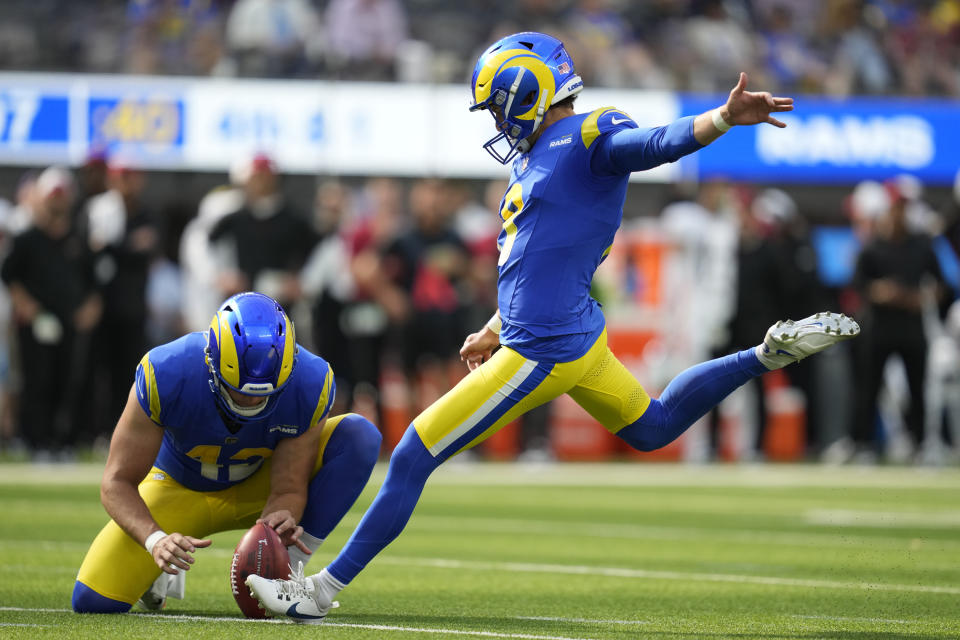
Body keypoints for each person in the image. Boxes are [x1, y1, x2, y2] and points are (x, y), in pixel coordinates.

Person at [247, 31, 859, 623]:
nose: (496, 121)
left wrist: (721, 119)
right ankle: (767, 353)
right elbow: (537, 258)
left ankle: (319, 592)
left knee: (413, 452)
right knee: (653, 427)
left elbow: (655, 145)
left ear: (526, 90)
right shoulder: (539, 155)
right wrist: (492, 325)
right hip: (571, 335)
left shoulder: (590, 132)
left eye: (497, 106)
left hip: (543, 348)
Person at [71, 292, 381, 614]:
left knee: (358, 436)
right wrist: (155, 539)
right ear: (212, 360)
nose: (249, 403)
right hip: (177, 488)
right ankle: (160, 568)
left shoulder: (309, 382)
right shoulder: (166, 371)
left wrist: (282, 516)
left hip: (257, 487)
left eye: (263, 396)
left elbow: (289, 486)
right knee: (94, 601)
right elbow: (116, 481)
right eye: (238, 390)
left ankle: (291, 570)